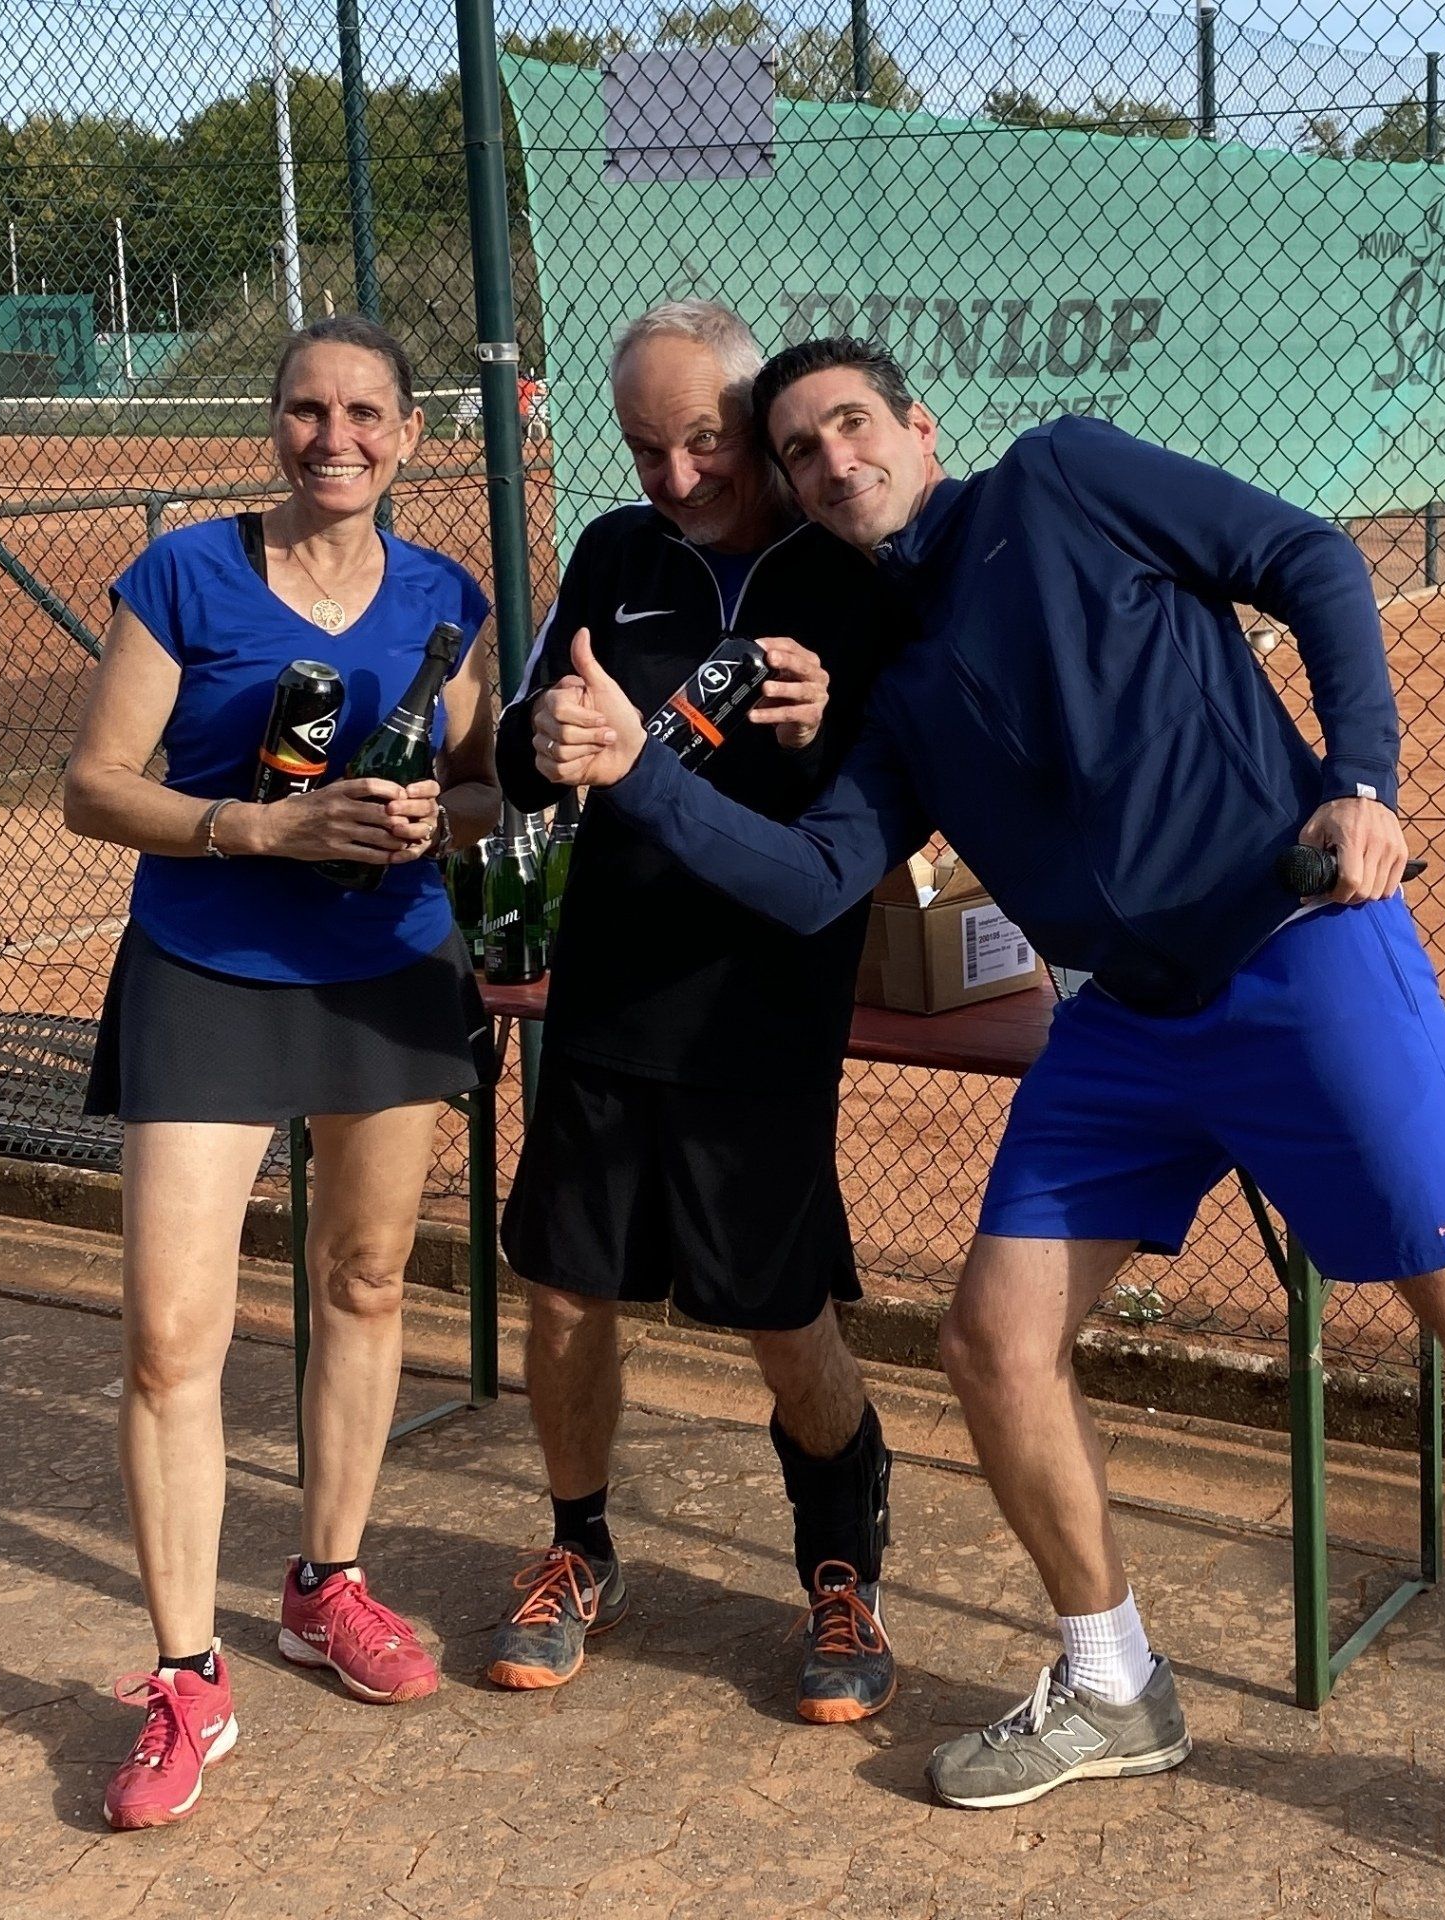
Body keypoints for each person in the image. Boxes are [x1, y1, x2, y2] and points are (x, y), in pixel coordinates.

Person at [536, 334, 1445, 1816]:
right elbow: (818, 879)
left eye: (853, 426)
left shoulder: (1063, 477)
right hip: (1126, 1025)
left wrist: (1360, 781)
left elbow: (1311, 558)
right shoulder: (896, 683)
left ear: (921, 427)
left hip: (1295, 954)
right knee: (993, 1345)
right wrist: (639, 775)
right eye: (801, 452)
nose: (832, 463)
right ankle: (1114, 1681)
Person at [63, 314, 500, 1830]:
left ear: (410, 436)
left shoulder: (447, 597)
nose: (336, 438)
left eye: (367, 413)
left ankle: (329, 1584)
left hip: (390, 967)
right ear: (274, 423)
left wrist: (436, 816)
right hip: (207, 967)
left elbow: (481, 784)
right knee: (169, 1340)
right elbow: (94, 785)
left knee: (366, 1281)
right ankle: (188, 1677)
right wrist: (258, 828)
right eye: (309, 409)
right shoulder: (186, 572)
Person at [487, 302, 911, 1721]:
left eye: (703, 442)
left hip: (765, 1005)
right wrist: (544, 740)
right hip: (610, 989)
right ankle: (580, 1549)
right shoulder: (617, 554)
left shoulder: (852, 574)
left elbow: (897, 779)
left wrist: (829, 717)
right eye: (643, 448)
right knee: (565, 1293)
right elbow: (523, 744)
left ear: (757, 431)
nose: (674, 477)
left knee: (782, 1316)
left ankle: (841, 1561)